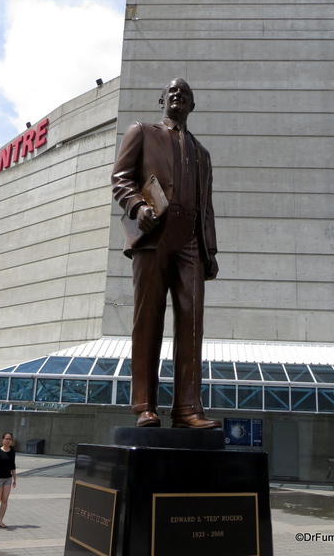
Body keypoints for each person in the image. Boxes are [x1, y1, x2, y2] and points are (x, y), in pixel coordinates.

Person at [111, 78, 221, 429]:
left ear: (192, 105)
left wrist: (210, 250)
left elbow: (208, 207)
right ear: (162, 99)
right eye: (173, 92)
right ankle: (144, 405)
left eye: (185, 94)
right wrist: (136, 205)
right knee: (148, 321)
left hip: (191, 242)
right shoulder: (142, 132)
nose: (178, 96)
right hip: (154, 235)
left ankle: (187, 409)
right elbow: (120, 177)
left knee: (192, 325)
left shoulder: (202, 155)